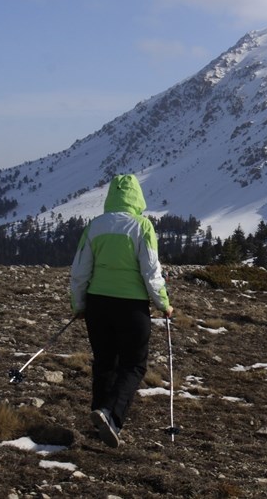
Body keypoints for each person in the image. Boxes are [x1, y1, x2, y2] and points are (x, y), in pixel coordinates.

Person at [70, 174, 173, 448]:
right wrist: (163, 303)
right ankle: (112, 417)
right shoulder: (142, 226)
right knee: (134, 364)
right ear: (137, 197)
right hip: (131, 306)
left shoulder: (95, 226)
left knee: (105, 362)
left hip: (97, 304)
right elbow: (151, 272)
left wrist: (79, 305)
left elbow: (80, 271)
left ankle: (99, 415)